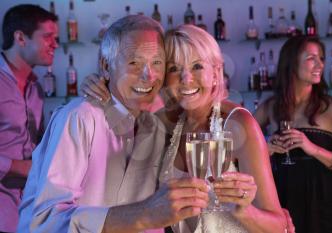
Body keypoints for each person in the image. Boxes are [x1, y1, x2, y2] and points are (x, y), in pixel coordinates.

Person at [82, 25, 288, 233]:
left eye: (197, 66)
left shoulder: (237, 123)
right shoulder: (168, 122)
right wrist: (103, 86)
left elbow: (279, 226)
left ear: (216, 73)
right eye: (173, 69)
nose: (186, 79)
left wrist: (243, 210)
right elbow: (122, 135)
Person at [17, 15, 209, 233]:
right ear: (105, 66)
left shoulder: (155, 128)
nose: (149, 75)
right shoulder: (80, 118)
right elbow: (45, 222)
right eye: (134, 63)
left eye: (157, 62)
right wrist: (145, 214)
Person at [254, 36, 332, 233]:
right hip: (283, 207)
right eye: (311, 58)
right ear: (291, 62)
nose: (319, 64)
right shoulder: (270, 107)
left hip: (326, 209)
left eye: (321, 58)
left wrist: (313, 149)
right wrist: (264, 147)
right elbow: (237, 149)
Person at [0, 4, 58, 232]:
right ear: (21, 38)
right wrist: (18, 167)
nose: (55, 44)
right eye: (47, 37)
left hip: (32, 208)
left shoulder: (36, 87)